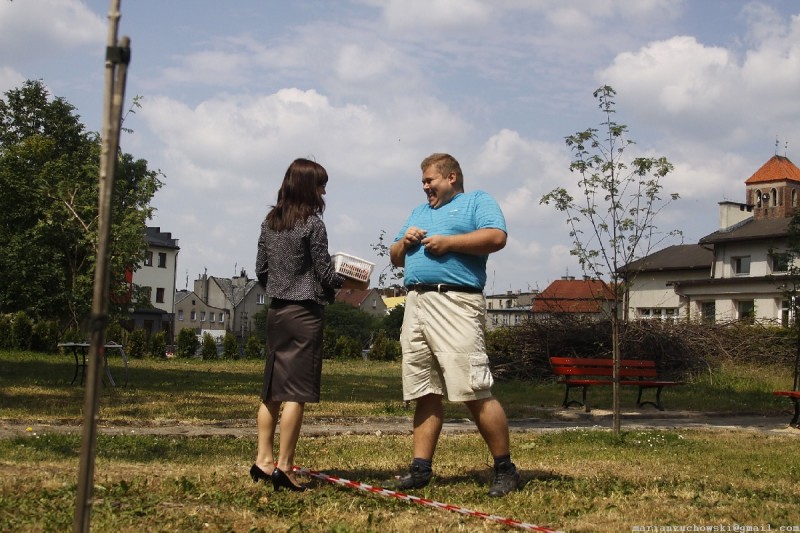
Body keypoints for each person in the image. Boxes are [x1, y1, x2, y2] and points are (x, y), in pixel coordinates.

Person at [388, 152, 521, 497]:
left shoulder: (477, 201)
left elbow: (497, 237)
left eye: (429, 180)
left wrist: (449, 243)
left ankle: (505, 469)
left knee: (473, 389)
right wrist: (404, 242)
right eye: (422, 181)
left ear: (451, 178)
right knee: (424, 389)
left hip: (456, 303)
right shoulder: (419, 212)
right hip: (417, 304)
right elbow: (395, 257)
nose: (425, 187)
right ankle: (420, 470)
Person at [251, 158, 366, 492]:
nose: (324, 192)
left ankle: (263, 460)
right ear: (307, 187)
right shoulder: (313, 224)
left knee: (272, 390)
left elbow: (260, 269)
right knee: (295, 393)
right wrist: (353, 281)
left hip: (277, 313)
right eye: (320, 185)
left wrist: (280, 286)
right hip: (305, 314)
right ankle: (285, 467)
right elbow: (325, 273)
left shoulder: (269, 222)